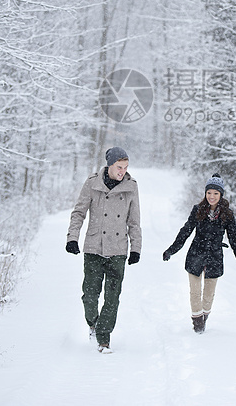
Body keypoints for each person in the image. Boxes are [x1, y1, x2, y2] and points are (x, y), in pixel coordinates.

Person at [66, 147, 142, 353]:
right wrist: (73, 237)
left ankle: (103, 338)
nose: (122, 171)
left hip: (118, 250)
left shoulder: (131, 186)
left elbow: (134, 221)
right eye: (119, 167)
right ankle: (93, 323)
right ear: (110, 165)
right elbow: (79, 212)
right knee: (89, 296)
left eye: (125, 167)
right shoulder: (92, 183)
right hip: (94, 247)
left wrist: (136, 248)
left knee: (112, 297)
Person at [162, 173, 236, 333]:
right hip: (196, 256)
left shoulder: (227, 214)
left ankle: (203, 317)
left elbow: (234, 240)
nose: (212, 196)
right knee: (195, 292)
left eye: (215, 193)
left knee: (208, 296)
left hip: (214, 258)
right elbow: (186, 231)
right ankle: (197, 324)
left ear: (221, 195)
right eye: (209, 193)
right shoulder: (198, 210)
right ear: (205, 193)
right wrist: (171, 250)